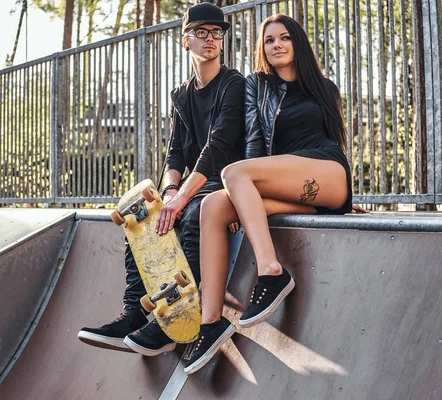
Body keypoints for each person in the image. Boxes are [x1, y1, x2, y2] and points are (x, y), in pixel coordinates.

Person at [181, 14, 362, 374]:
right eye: (268, 40)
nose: (276, 45)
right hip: (288, 181)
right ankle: (210, 321)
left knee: (233, 174)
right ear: (261, 49)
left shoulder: (324, 88)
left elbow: (335, 141)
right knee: (214, 206)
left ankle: (271, 271)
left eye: (284, 38)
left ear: (297, 44)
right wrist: (240, 198)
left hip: (326, 171)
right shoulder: (256, 86)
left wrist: (338, 195)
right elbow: (254, 144)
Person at [78, 3, 245, 356]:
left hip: (227, 184)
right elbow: (175, 153)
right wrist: (169, 191)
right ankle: (134, 313)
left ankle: (175, 321)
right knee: (140, 218)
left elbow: (218, 145)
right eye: (200, 32)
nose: (210, 39)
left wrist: (181, 198)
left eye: (216, 32)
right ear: (186, 41)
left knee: (191, 219)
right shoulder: (181, 95)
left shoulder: (233, 84)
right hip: (191, 187)